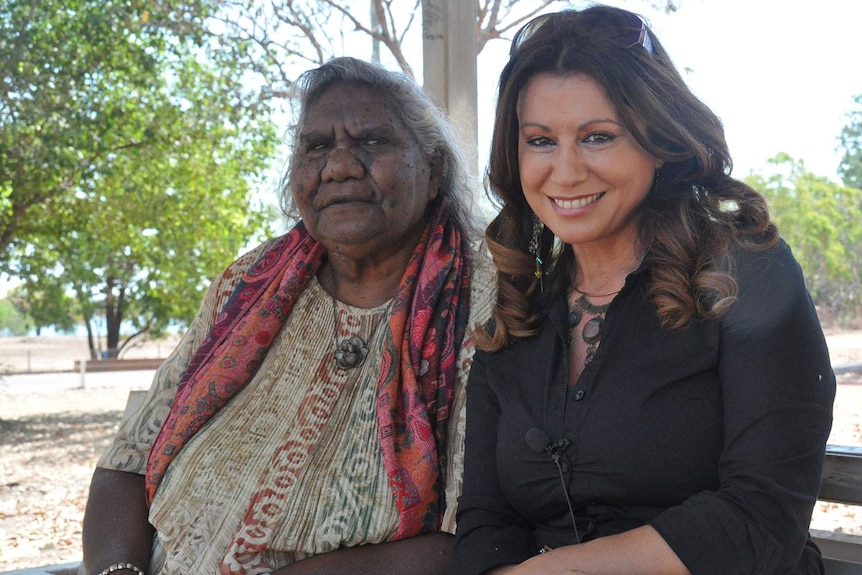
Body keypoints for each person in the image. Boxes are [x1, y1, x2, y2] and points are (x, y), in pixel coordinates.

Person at [451, 6, 835, 575]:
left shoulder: (746, 276)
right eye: (539, 141)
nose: (566, 170)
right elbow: (484, 520)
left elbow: (762, 518)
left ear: (658, 142)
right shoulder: (517, 308)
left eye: (598, 137)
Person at [81, 56, 495, 575]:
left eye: (371, 142)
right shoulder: (248, 285)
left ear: (433, 170)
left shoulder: (487, 305)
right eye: (317, 146)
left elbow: (480, 539)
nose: (339, 166)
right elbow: (127, 462)